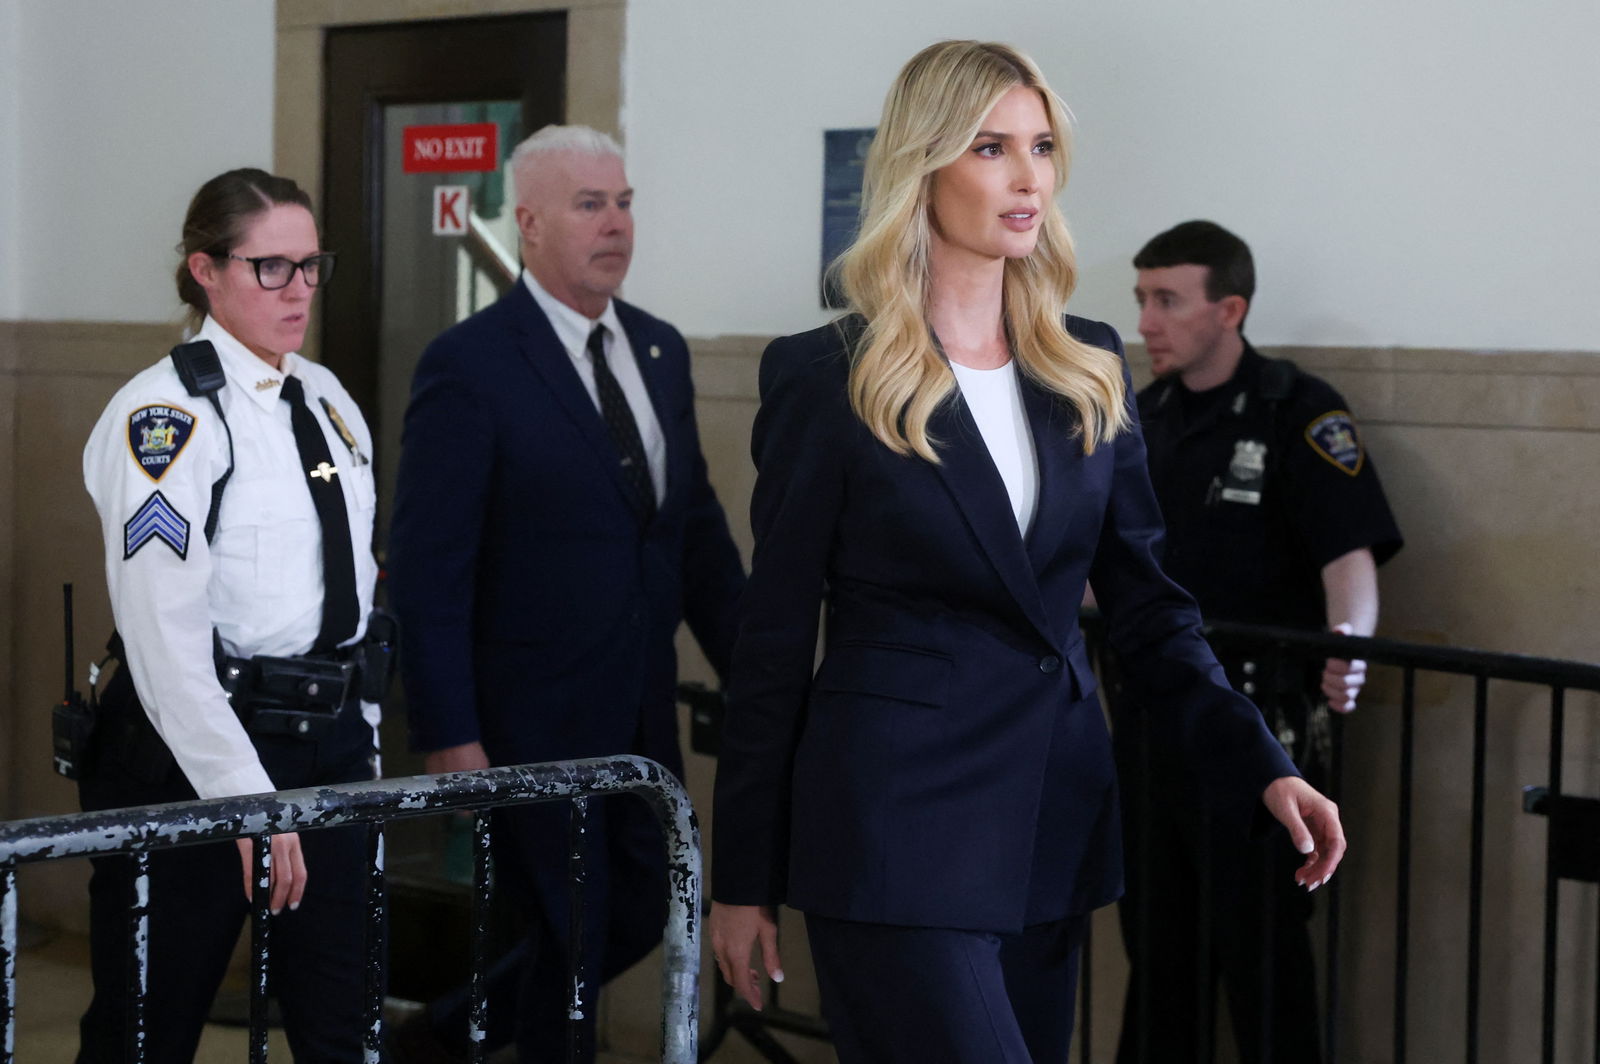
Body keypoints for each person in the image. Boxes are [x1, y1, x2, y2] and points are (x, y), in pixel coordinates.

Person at [708, 41, 1346, 1064]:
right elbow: (772, 643)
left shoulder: (1086, 361)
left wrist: (1256, 760)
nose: (1028, 177)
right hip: (895, 830)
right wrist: (739, 875)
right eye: (991, 147)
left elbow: (1148, 607)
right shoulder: (825, 377)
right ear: (924, 163)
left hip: (1051, 823)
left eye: (1041, 146)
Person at [386, 124, 745, 1062]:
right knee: (568, 931)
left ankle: (439, 1042)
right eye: (592, 206)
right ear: (532, 224)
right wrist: (449, 734)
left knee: (629, 915)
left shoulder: (659, 352)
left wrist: (761, 672)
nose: (617, 225)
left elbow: (693, 531)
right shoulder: (471, 363)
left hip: (639, 713)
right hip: (524, 723)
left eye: (625, 203)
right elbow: (430, 567)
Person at [79, 168, 385, 1062]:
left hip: (323, 742)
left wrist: (358, 742)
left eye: (311, 265)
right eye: (271, 267)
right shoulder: (165, 417)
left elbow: (355, 592)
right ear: (206, 270)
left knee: (345, 1022)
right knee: (147, 1025)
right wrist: (243, 801)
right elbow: (164, 635)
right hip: (195, 752)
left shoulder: (326, 399)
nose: (298, 290)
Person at [1112, 220, 1403, 1064]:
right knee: (1159, 947)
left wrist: (1352, 646)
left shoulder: (1293, 407)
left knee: (1263, 950)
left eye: (1168, 299)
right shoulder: (1145, 413)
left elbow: (1347, 553)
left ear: (1229, 308)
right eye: (1141, 299)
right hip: (1156, 722)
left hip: (1261, 727)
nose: (1147, 321)